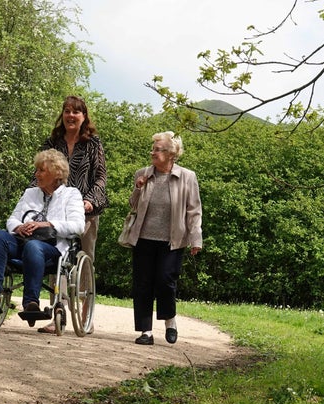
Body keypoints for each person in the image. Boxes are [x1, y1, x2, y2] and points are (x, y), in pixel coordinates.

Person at [0, 149, 85, 312]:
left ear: (56, 173)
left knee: (34, 247)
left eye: (41, 170)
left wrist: (47, 224)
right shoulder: (30, 193)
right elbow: (12, 219)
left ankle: (31, 302)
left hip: (52, 249)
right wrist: (19, 226)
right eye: (36, 170)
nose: (36, 174)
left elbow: (78, 226)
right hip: (23, 241)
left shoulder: (71, 194)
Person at [33, 95, 108, 334]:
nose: (70, 116)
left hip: (85, 212)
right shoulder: (52, 141)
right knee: (58, 258)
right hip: (55, 210)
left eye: (76, 112)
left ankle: (85, 313)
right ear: (62, 115)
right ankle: (58, 312)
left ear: (84, 116)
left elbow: (100, 178)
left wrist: (89, 201)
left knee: (84, 258)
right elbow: (40, 171)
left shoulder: (93, 143)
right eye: (67, 111)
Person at [122, 131, 202, 345]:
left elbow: (194, 210)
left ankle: (170, 320)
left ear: (171, 154)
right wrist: (138, 188)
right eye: (153, 149)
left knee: (166, 281)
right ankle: (145, 331)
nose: (153, 152)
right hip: (143, 238)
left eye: (158, 149)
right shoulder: (143, 173)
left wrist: (196, 238)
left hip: (172, 240)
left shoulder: (187, 176)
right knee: (143, 284)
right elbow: (133, 205)